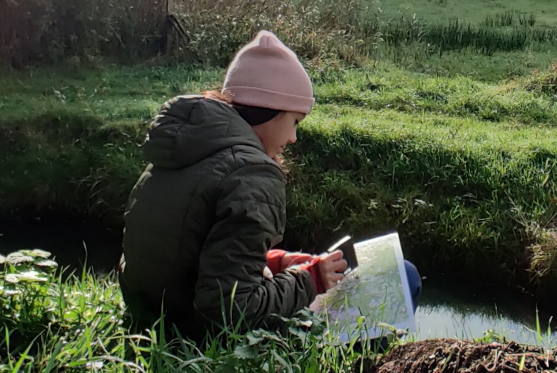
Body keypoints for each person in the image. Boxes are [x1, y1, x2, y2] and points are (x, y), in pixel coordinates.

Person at [118, 30, 421, 341]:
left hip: (154, 319)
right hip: (202, 339)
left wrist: (273, 262)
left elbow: (188, 252)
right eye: (295, 122)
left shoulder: (184, 149)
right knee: (403, 277)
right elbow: (228, 314)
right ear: (268, 110)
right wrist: (310, 280)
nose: (293, 138)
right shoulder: (252, 175)